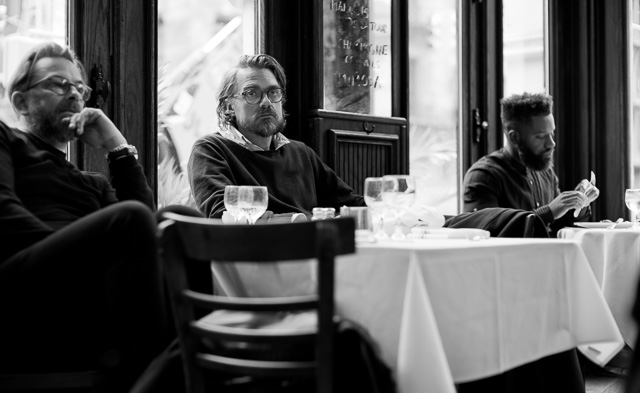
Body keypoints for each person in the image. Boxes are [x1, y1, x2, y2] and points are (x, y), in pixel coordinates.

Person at [0, 42, 181, 391]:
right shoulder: (6, 140)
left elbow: (145, 224)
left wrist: (117, 145)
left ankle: (195, 363)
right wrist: (89, 267)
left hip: (85, 302)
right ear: (21, 101)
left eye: (79, 88)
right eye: (57, 84)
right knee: (127, 219)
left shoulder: (92, 184)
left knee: (176, 219)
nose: (73, 94)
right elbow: (3, 216)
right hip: (22, 290)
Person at [188, 54, 365, 219]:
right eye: (252, 93)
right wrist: (299, 221)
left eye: (273, 93)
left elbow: (350, 203)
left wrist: (385, 206)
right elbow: (226, 217)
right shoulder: (210, 150)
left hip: (311, 246)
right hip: (258, 251)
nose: (266, 102)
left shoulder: (301, 153)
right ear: (229, 106)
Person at [462, 92, 599, 236]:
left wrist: (578, 204)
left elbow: (560, 225)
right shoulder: (483, 176)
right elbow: (484, 236)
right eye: (540, 137)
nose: (552, 144)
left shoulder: (545, 171)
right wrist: (549, 212)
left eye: (551, 134)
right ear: (514, 137)